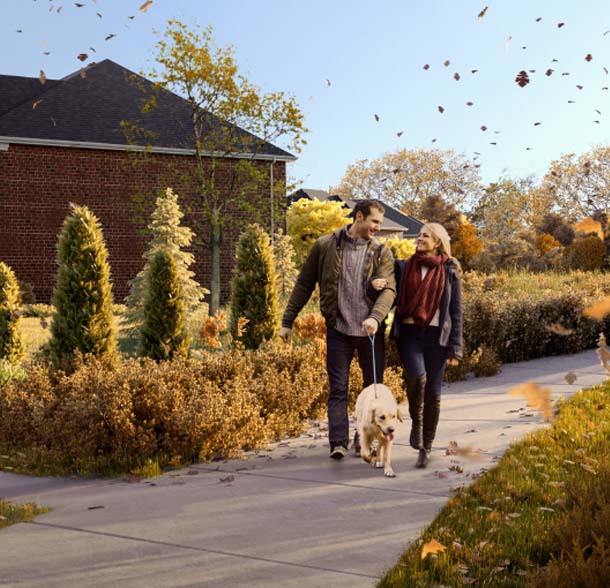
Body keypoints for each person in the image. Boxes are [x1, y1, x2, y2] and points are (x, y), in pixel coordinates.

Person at [278, 200, 396, 460]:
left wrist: (376, 318)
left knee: (374, 391)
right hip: (339, 330)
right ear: (359, 217)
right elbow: (303, 285)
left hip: (370, 333)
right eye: (374, 222)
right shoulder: (325, 246)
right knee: (338, 389)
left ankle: (369, 442)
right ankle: (338, 443)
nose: (378, 228)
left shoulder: (381, 252)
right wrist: (287, 321)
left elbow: (389, 290)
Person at [391, 222, 463, 468]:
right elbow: (387, 293)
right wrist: (374, 287)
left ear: (438, 242)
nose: (419, 239)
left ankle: (427, 446)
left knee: (434, 393)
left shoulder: (450, 271)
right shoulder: (403, 266)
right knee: (416, 377)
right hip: (410, 334)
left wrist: (456, 348)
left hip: (437, 339)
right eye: (419, 235)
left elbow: (456, 311)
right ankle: (416, 423)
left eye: (425, 236)